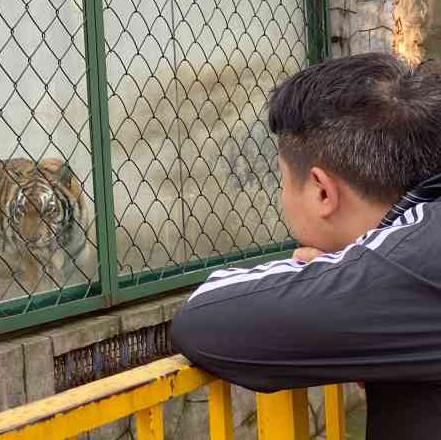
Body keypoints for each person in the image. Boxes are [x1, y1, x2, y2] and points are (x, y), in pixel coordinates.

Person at [171, 53, 441, 440]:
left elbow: (202, 318)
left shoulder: (411, 263)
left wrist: (340, 272)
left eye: (283, 180)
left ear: (321, 191)